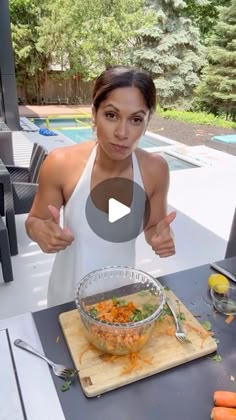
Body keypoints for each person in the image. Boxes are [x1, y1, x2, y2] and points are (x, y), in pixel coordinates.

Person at [25, 65, 176, 307]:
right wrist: (41, 229)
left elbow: (154, 227)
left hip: (122, 301)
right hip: (67, 301)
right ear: (94, 114)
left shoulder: (155, 170)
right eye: (111, 115)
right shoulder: (62, 163)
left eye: (136, 119)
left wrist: (161, 237)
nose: (122, 132)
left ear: (147, 123)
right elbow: (34, 220)